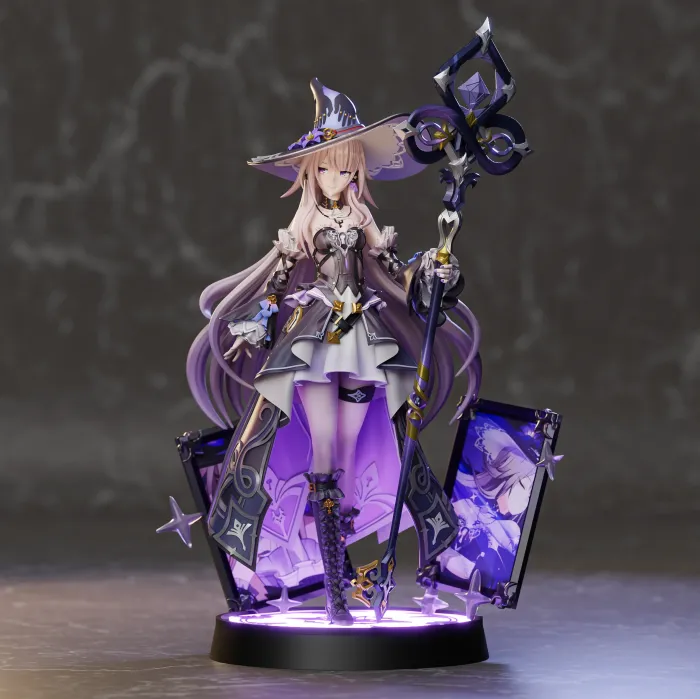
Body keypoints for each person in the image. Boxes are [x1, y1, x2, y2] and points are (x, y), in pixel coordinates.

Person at [186, 78, 481, 624]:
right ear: (310, 170)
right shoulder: (306, 221)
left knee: (348, 444)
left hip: (362, 337)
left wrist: (432, 271)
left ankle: (338, 553)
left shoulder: (363, 219)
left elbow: (393, 273)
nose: (337, 178)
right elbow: (278, 279)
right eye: (327, 168)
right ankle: (336, 594)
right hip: (317, 340)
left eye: (347, 170)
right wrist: (257, 321)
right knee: (323, 445)